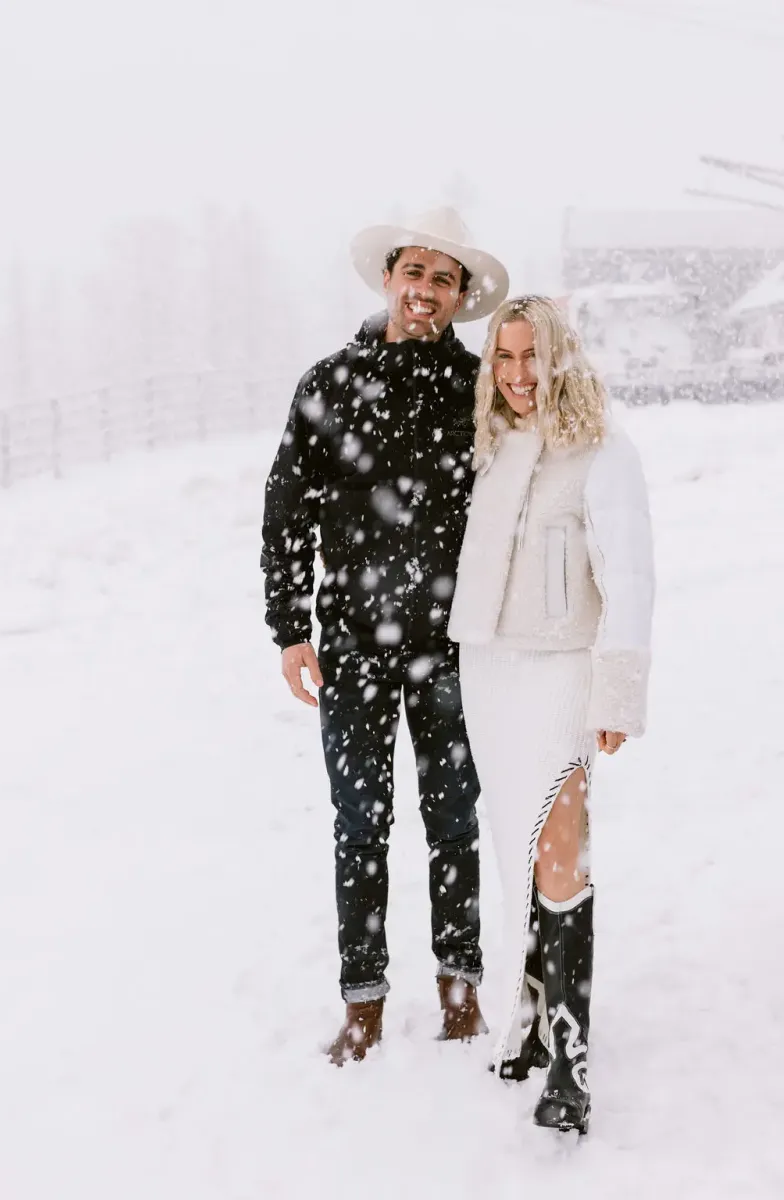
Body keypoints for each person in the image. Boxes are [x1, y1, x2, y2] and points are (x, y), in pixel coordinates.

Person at [261, 208, 510, 1065]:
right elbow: (288, 510)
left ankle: (460, 990)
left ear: (459, 297)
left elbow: (514, 509)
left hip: (454, 645)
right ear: (387, 279)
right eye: (415, 272)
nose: (425, 290)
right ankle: (362, 1003)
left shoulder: (479, 392)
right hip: (356, 641)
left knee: (454, 820)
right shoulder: (330, 383)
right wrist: (291, 628)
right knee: (360, 820)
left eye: (444, 279)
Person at [448, 295, 654, 1132]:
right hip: (491, 671)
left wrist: (616, 694)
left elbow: (631, 580)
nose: (519, 376)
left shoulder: (604, 450)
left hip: (564, 671)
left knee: (561, 851)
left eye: (533, 357)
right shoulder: (494, 447)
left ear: (562, 356)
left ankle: (570, 1052)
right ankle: (528, 1015)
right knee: (517, 853)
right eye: (504, 358)